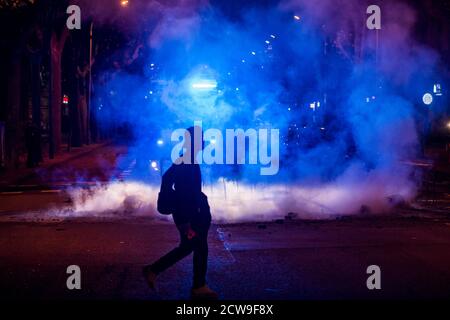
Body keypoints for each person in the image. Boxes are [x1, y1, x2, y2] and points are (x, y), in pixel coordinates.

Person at [143, 126, 218, 299]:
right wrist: (186, 217)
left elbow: (167, 179)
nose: (205, 142)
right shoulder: (187, 160)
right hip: (189, 215)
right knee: (195, 246)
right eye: (201, 139)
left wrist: (171, 200)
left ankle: (196, 284)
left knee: (194, 247)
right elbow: (184, 191)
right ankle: (196, 285)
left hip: (190, 213)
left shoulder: (186, 158)